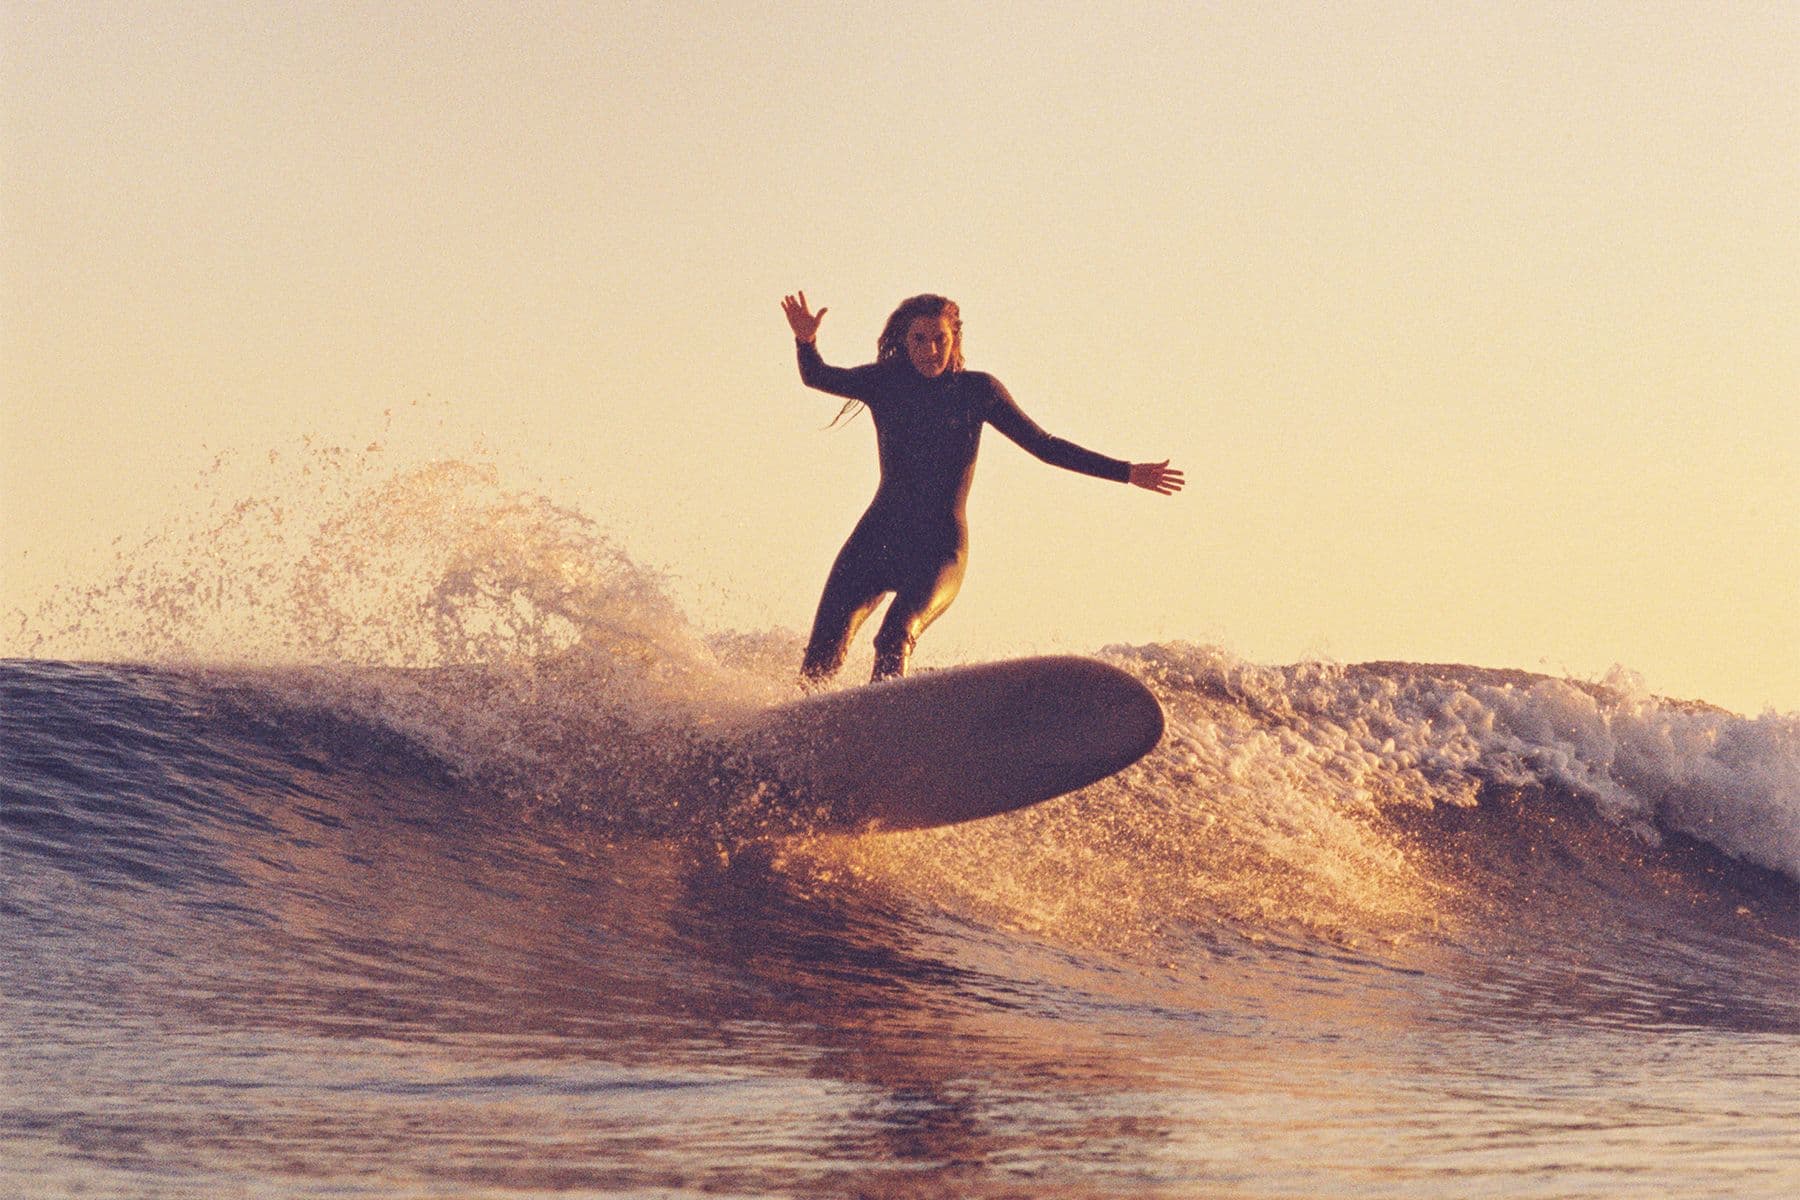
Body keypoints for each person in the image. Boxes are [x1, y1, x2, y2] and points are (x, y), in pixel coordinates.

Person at [781, 291, 1183, 684]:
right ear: (905, 341)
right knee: (819, 665)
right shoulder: (884, 383)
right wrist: (806, 341)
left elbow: (1044, 446)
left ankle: (890, 731)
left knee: (894, 635)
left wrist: (1127, 472)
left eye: (940, 338)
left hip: (938, 550)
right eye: (919, 339)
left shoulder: (977, 392)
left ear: (954, 339)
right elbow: (817, 376)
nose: (930, 349)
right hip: (875, 541)